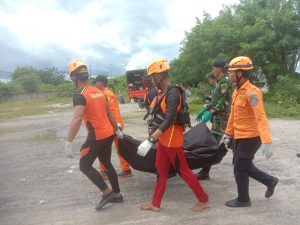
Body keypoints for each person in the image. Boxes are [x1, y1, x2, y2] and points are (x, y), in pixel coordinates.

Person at [137, 59, 209, 212]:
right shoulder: (163, 92)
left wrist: (151, 139)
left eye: (152, 76)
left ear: (159, 75)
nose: (151, 80)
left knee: (184, 171)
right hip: (164, 139)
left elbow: (170, 119)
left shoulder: (173, 92)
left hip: (172, 140)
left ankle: (203, 199)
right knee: (161, 171)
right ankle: (155, 203)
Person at [64, 60, 124, 210]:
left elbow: (77, 118)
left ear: (73, 77)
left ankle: (107, 192)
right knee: (107, 163)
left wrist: (68, 141)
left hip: (96, 136)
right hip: (108, 134)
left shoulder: (80, 94)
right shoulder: (99, 91)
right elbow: (109, 113)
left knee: (84, 165)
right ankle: (117, 195)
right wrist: (116, 130)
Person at [223, 56, 279, 207]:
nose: (229, 75)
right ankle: (270, 181)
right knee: (243, 165)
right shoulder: (237, 91)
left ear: (240, 74)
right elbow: (233, 116)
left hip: (251, 137)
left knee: (240, 167)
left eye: (231, 72)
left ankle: (243, 199)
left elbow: (261, 117)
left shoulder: (252, 92)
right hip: (240, 136)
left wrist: (267, 141)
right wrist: (228, 133)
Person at [196, 61, 232, 180]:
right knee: (229, 143)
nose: (212, 71)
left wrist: (209, 114)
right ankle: (244, 165)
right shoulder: (219, 83)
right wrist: (204, 108)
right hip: (218, 119)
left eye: (214, 68)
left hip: (223, 119)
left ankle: (205, 172)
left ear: (219, 69)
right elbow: (215, 101)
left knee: (214, 144)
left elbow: (223, 103)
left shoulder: (224, 82)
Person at [94, 75, 133, 179]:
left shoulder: (105, 94)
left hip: (113, 126)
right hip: (115, 125)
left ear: (101, 83)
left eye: (96, 82)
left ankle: (104, 171)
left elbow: (112, 111)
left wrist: (117, 126)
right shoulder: (107, 93)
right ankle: (126, 169)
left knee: (103, 149)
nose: (95, 85)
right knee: (118, 148)